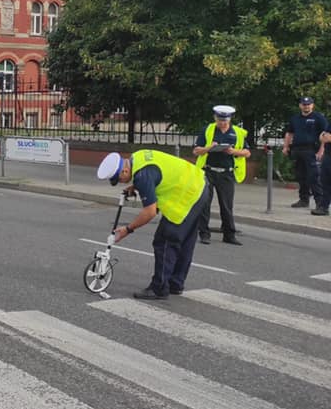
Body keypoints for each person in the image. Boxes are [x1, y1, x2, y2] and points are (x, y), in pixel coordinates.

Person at [97, 149, 210, 300]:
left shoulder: (142, 176)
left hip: (187, 197)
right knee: (185, 241)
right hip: (200, 184)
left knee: (165, 240)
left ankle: (159, 288)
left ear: (124, 170)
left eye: (119, 179)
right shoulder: (137, 156)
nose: (122, 182)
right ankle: (175, 284)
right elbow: (157, 173)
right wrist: (139, 187)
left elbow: (150, 212)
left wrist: (128, 229)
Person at [193, 105, 250, 245]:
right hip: (208, 171)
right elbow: (196, 151)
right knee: (205, 203)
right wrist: (209, 148)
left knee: (226, 205)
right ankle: (204, 234)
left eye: (224, 120)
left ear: (229, 119)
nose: (222, 123)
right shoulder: (208, 130)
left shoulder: (237, 132)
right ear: (215, 118)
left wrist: (233, 152)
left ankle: (229, 235)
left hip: (227, 173)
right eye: (219, 120)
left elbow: (247, 152)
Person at [283, 96, 327, 209]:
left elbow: (325, 135)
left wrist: (322, 150)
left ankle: (320, 203)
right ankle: (304, 200)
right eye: (304, 104)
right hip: (297, 150)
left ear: (312, 105)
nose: (306, 106)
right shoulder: (295, 118)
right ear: (300, 105)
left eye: (308, 104)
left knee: (314, 177)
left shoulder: (318, 117)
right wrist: (286, 147)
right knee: (301, 176)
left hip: (312, 150)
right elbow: (289, 133)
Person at [315, 129, 331, 216]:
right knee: (325, 181)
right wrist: (325, 137)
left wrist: (328, 137)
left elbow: (327, 137)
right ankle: (324, 207)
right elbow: (321, 136)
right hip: (328, 155)